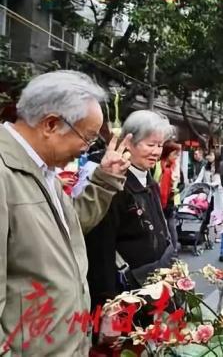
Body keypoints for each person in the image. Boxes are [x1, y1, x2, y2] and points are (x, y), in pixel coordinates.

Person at [0, 70, 131, 356]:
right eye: (87, 138)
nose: (87, 149)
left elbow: (67, 229)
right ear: (50, 124)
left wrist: (105, 180)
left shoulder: (43, 170)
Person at [84, 111, 175, 333]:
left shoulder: (149, 181)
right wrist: (107, 305)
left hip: (154, 289)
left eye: (160, 145)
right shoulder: (115, 185)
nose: (156, 152)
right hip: (127, 295)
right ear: (129, 142)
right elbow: (100, 250)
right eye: (150, 144)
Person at [154, 140, 182, 251]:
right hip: (158, 198)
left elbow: (178, 182)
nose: (176, 156)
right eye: (174, 154)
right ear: (167, 152)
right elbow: (154, 181)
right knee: (160, 224)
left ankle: (174, 248)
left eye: (178, 154)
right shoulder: (157, 165)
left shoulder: (175, 166)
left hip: (171, 199)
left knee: (171, 224)